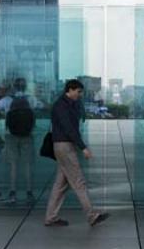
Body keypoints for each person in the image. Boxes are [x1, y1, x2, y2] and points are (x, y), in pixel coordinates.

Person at [44, 79, 109, 227]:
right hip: (64, 147)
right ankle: (92, 215)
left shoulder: (70, 104)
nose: (79, 95)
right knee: (78, 182)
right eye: (78, 92)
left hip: (64, 146)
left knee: (60, 185)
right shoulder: (61, 106)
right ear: (70, 89)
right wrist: (83, 147)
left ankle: (50, 217)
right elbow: (69, 129)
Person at [0, 77, 40, 204]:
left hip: (11, 135)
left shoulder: (8, 99)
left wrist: (3, 111)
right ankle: (29, 192)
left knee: (13, 165)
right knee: (28, 164)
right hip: (27, 135)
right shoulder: (30, 99)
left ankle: (13, 192)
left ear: (13, 87)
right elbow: (44, 106)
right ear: (25, 87)